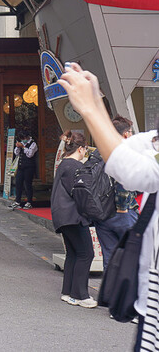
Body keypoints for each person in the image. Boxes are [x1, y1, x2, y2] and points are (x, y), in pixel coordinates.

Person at [58, 62, 159, 343]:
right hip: (148, 304)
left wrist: (91, 107)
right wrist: (94, 104)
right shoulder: (148, 143)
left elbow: (127, 165)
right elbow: (126, 152)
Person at [50, 131, 95, 308]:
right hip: (73, 216)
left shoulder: (64, 164)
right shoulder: (74, 166)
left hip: (63, 215)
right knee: (86, 253)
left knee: (74, 254)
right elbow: (80, 193)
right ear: (82, 149)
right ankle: (80, 295)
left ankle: (68, 292)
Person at [93, 115, 139, 271]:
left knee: (110, 260)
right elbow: (123, 182)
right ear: (126, 134)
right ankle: (130, 294)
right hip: (122, 213)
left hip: (102, 213)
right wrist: (122, 207)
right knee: (133, 258)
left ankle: (110, 293)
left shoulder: (99, 151)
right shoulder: (123, 152)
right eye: (131, 132)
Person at [11, 130, 38, 209]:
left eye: (23, 138)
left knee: (28, 184)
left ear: (27, 137)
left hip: (29, 167)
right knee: (18, 183)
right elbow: (16, 153)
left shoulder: (33, 144)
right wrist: (18, 147)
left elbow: (30, 154)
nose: (23, 140)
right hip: (21, 166)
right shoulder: (22, 143)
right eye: (21, 138)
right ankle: (17, 201)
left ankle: (29, 202)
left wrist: (23, 147)